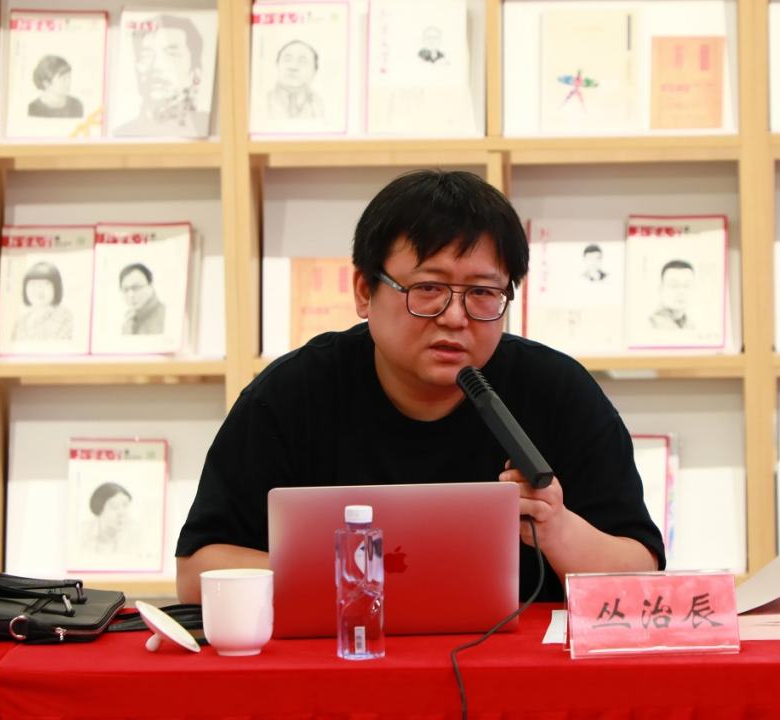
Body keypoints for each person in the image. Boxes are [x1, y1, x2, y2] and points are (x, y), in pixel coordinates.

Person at [175, 169, 664, 604]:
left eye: (482, 292)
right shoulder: (292, 394)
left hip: (513, 667)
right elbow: (198, 571)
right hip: (342, 661)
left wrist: (557, 530)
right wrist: (357, 578)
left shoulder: (557, 391)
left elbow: (642, 572)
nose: (455, 317)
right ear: (364, 291)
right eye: (428, 288)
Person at [114, 15, 210, 137]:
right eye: (146, 56)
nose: (157, 67)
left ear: (196, 71)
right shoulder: (122, 133)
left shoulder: (208, 126)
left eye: (172, 54)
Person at [12, 262, 73, 342]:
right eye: (33, 284)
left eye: (46, 284)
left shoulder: (64, 318)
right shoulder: (22, 320)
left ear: (56, 287)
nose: (39, 290)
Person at [267, 40, 324, 119]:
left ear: (314, 71)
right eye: (287, 60)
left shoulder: (320, 105)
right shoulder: (260, 101)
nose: (293, 67)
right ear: (277, 65)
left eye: (302, 61)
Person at [82, 482, 138, 555]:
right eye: (114, 507)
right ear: (99, 509)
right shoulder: (82, 532)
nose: (122, 513)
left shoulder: (136, 533)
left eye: (125, 505)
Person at [119, 263, 166, 335]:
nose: (131, 295)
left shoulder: (166, 317)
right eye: (125, 290)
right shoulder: (129, 320)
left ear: (151, 286)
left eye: (136, 288)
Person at [648, 260, 695, 330]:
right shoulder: (650, 325)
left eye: (686, 285)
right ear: (661, 289)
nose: (681, 292)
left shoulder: (693, 326)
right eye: (674, 285)